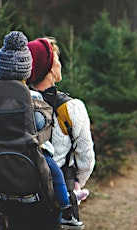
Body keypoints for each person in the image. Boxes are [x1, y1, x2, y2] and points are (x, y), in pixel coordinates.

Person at [0, 31, 81, 230]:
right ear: (26, 71)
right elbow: (39, 123)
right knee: (54, 171)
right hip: (27, 146)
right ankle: (66, 210)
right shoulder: (31, 96)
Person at [27, 36, 95, 227]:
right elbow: (86, 159)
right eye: (56, 59)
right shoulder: (72, 108)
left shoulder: (18, 104)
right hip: (58, 199)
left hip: (21, 196)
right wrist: (75, 185)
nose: (60, 63)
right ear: (49, 68)